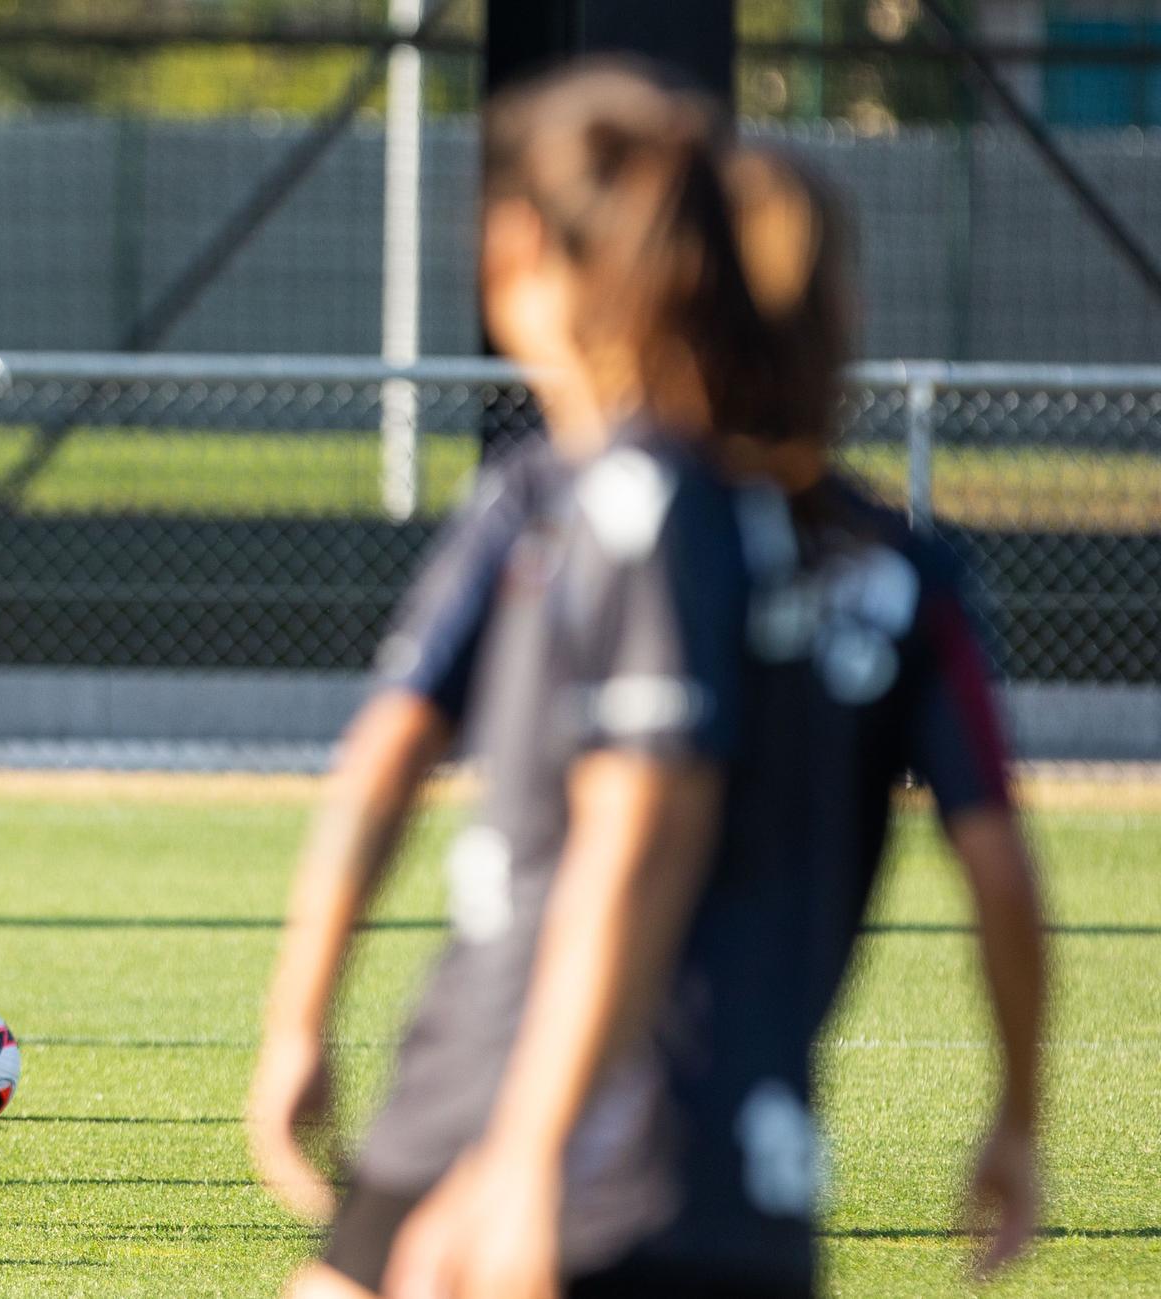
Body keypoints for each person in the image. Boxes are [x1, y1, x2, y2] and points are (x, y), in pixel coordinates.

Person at [247, 64, 1044, 1299]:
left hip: (508, 1093)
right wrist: (1016, 1114)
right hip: (746, 1161)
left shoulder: (590, 503)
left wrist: (330, 1037)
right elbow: (996, 859)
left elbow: (563, 809)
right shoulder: (902, 568)